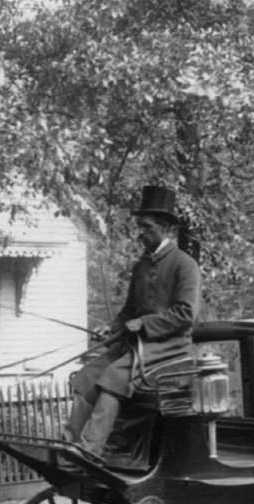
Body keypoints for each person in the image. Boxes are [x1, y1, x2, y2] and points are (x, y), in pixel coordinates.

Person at [64, 185, 201, 456]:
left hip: (170, 348)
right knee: (87, 376)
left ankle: (90, 449)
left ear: (166, 229)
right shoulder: (142, 266)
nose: (140, 233)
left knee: (114, 375)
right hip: (137, 347)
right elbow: (129, 310)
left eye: (146, 227)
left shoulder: (185, 265)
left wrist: (144, 324)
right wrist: (112, 327)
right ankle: (68, 444)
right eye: (140, 226)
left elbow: (187, 313)